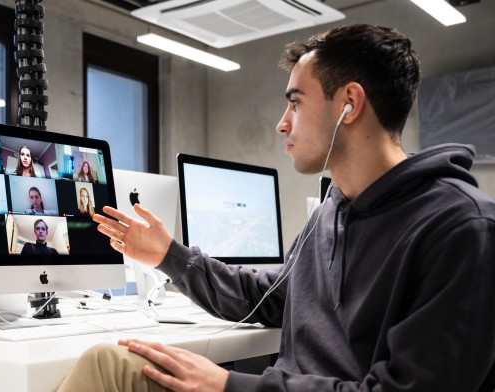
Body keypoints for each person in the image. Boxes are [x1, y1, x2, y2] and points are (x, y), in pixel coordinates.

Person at [58, 24, 495, 392]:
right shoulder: (332, 213)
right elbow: (263, 297)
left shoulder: (460, 227)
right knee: (108, 362)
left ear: (350, 104)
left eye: (296, 101)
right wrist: (167, 254)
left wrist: (232, 385)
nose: (282, 122)